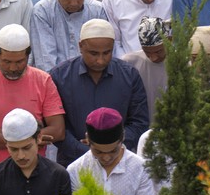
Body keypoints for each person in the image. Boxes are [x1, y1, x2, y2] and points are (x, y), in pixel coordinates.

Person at [50, 19, 149, 166]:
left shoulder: (129, 75)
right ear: (80, 46)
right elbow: (56, 127)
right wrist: (84, 150)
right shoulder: (59, 76)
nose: (100, 60)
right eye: (94, 53)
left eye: (106, 53)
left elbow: (139, 122)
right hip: (73, 162)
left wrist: (110, 146)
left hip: (120, 162)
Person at [0, 26, 66, 168]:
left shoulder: (43, 80)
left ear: (28, 56)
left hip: (34, 170)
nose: (13, 68)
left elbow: (58, 130)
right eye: (6, 62)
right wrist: (31, 139)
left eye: (19, 62)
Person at [67, 107, 159, 195]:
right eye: (98, 152)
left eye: (113, 151)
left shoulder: (140, 168)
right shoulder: (75, 170)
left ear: (123, 138)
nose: (106, 157)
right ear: (87, 139)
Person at [30, 0, 108, 73]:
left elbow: (103, 55)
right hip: (54, 81)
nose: (74, 3)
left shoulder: (97, 10)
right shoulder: (42, 11)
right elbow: (46, 61)